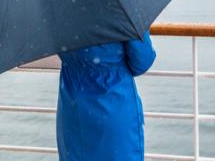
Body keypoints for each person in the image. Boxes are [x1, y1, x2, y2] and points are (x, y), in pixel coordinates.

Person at [56, 29, 156, 160]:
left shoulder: (58, 11)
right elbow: (142, 61)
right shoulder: (121, 10)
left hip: (71, 104)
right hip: (113, 103)